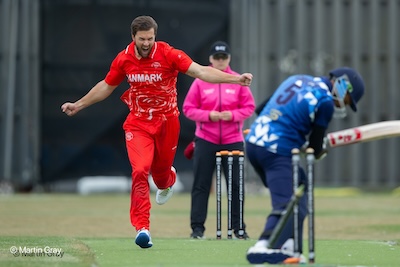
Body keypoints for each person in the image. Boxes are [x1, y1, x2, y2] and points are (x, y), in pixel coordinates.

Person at [61, 16, 253, 249]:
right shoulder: (124, 59)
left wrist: (236, 80)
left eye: (150, 38)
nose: (146, 43)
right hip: (138, 123)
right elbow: (106, 85)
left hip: (167, 123)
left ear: (155, 36)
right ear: (133, 37)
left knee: (161, 177)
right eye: (142, 39)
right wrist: (79, 104)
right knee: (140, 170)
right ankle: (142, 228)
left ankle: (167, 179)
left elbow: (201, 72)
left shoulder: (169, 54)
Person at [244, 67, 365, 264]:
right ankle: (263, 246)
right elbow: (315, 147)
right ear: (342, 85)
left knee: (301, 189)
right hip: (276, 151)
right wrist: (319, 150)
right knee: (287, 203)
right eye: (346, 99)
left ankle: (289, 245)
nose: (342, 103)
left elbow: (261, 109)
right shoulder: (325, 101)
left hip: (254, 145)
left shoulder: (297, 79)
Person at [183, 41, 256, 239]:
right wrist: (209, 116)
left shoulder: (237, 80)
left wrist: (231, 116)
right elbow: (188, 108)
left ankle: (238, 228)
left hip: (233, 139)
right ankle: (197, 229)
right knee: (201, 185)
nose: (220, 61)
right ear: (211, 59)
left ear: (229, 59)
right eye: (217, 58)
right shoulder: (200, 81)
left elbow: (249, 107)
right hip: (206, 138)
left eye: (224, 57)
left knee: (236, 185)